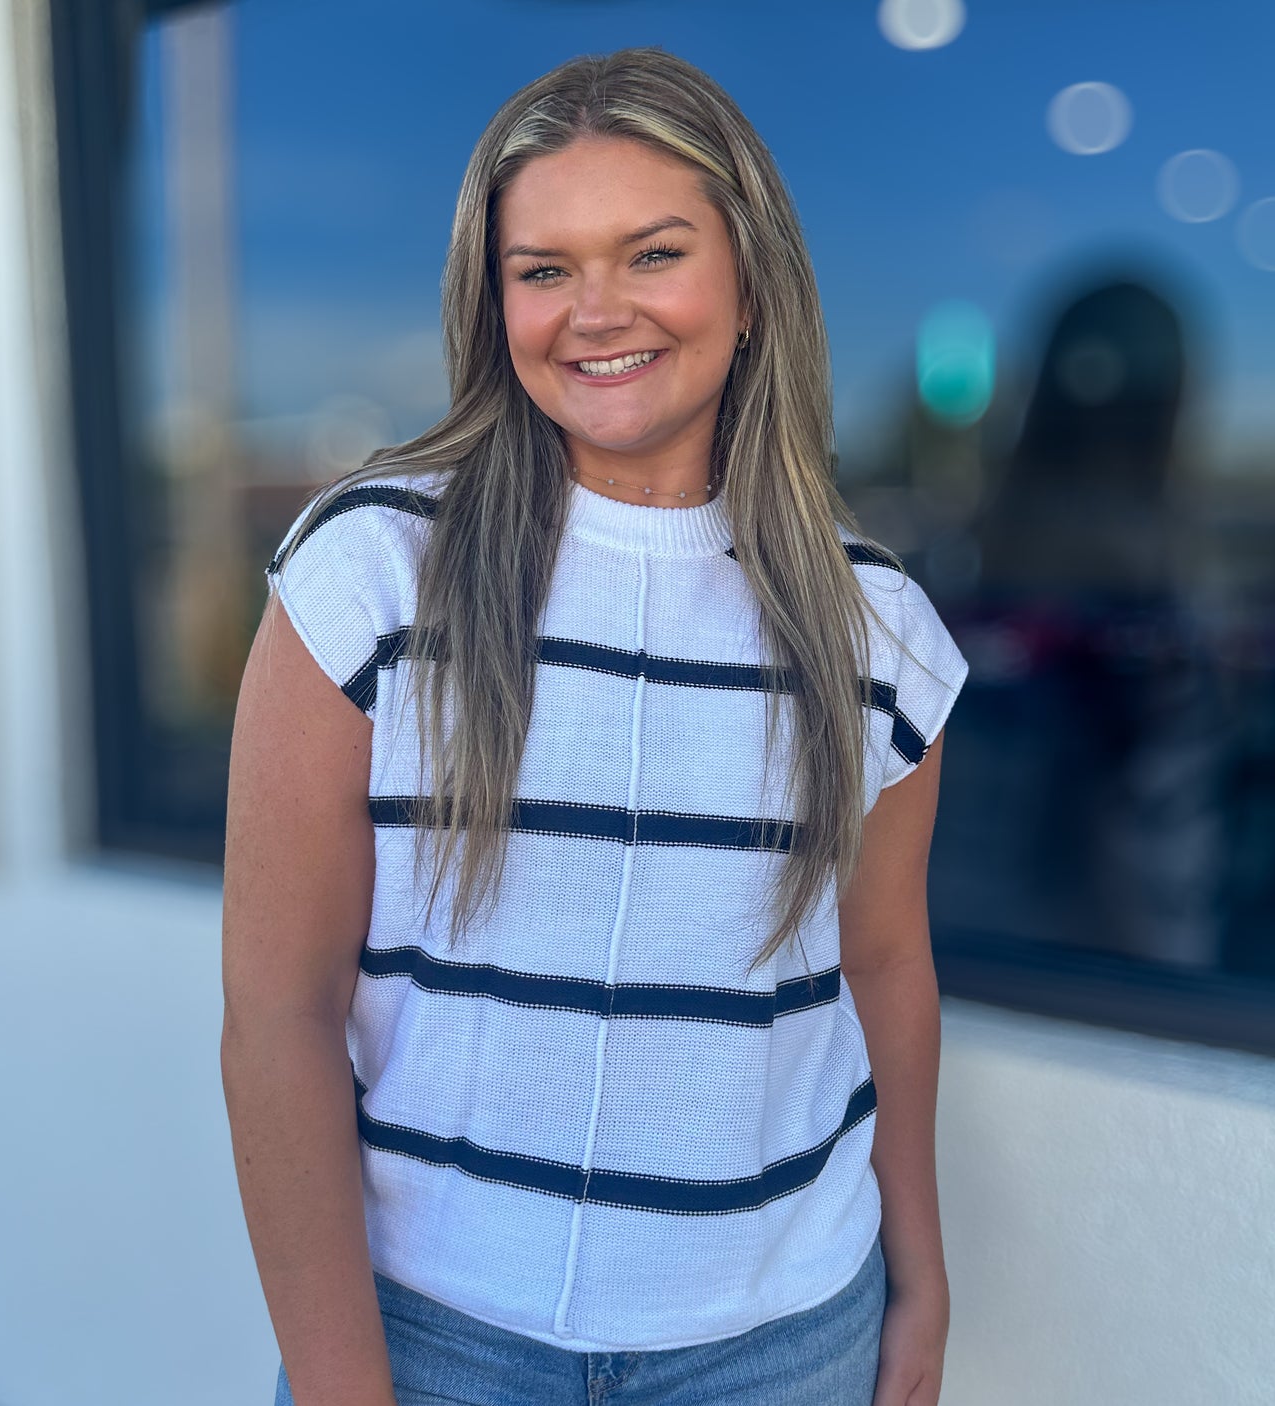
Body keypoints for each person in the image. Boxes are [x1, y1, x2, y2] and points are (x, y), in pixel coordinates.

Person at [222, 47, 967, 1406]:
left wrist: (920, 1274)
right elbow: (277, 1009)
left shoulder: (879, 631)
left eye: (652, 252)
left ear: (748, 283)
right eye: (543, 267)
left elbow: (886, 970)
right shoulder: (369, 572)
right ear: (490, 296)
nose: (593, 310)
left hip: (782, 1341)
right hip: (436, 1338)